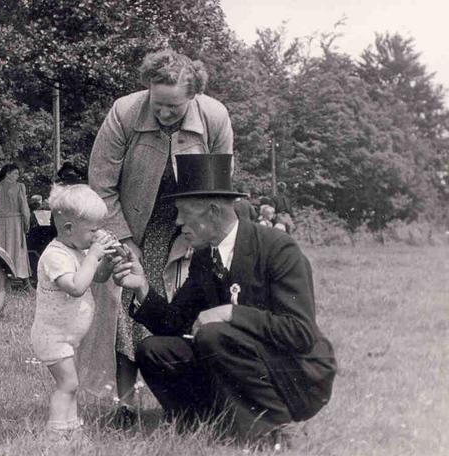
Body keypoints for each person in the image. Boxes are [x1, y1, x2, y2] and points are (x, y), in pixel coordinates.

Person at [112, 154, 336, 442]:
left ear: (213, 211)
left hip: (296, 375)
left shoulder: (279, 249)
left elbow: (301, 334)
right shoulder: (206, 255)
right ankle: (204, 426)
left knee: (213, 334)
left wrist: (229, 313)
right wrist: (142, 286)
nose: (178, 222)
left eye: (183, 213)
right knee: (153, 350)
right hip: (243, 359)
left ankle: (275, 430)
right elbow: (176, 322)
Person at [88, 49, 234, 419]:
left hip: (192, 226)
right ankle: (125, 405)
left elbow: (219, 187)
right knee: (130, 306)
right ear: (147, 89)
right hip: (134, 224)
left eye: (175, 107)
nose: (164, 113)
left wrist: (204, 237)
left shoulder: (215, 117)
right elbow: (102, 184)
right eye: (158, 104)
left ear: (194, 97)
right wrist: (123, 240)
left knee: (188, 308)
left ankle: (184, 401)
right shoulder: (124, 112)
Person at [30, 184, 116, 442]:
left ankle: (72, 430)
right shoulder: (55, 256)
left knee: (72, 384)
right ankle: (56, 435)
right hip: (52, 338)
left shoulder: (79, 250)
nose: (97, 234)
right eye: (92, 230)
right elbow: (77, 286)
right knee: (67, 385)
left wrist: (107, 260)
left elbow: (97, 277)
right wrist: (94, 256)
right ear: (68, 228)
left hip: (68, 338)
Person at [0, 163, 31, 281]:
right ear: (7, 174)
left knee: (0, 248)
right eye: (15, 173)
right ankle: (21, 277)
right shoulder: (20, 187)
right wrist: (26, 224)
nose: (18, 176)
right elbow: (25, 209)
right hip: (16, 223)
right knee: (17, 250)